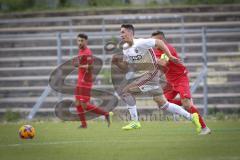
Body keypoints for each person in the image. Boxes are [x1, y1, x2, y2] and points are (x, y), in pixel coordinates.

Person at [112, 24, 201, 133]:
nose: (121, 34)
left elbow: (160, 42)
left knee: (126, 92)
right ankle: (192, 117)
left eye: (123, 32)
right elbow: (126, 67)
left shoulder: (140, 42)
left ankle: (135, 122)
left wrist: (170, 56)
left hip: (151, 75)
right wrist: (117, 63)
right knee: (163, 104)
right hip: (145, 77)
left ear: (130, 33)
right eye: (120, 32)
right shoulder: (126, 48)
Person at [151, 30, 211, 135]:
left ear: (161, 40)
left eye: (154, 41)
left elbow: (163, 63)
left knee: (187, 105)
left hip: (181, 78)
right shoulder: (155, 50)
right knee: (161, 103)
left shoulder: (168, 49)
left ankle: (204, 128)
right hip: (170, 81)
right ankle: (186, 101)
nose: (152, 43)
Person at [75, 33, 113, 128]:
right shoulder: (80, 51)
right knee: (77, 103)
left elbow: (91, 67)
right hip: (80, 81)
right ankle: (84, 124)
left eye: (82, 41)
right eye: (78, 40)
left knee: (84, 105)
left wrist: (80, 65)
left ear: (86, 41)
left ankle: (105, 113)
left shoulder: (87, 52)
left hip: (85, 82)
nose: (79, 42)